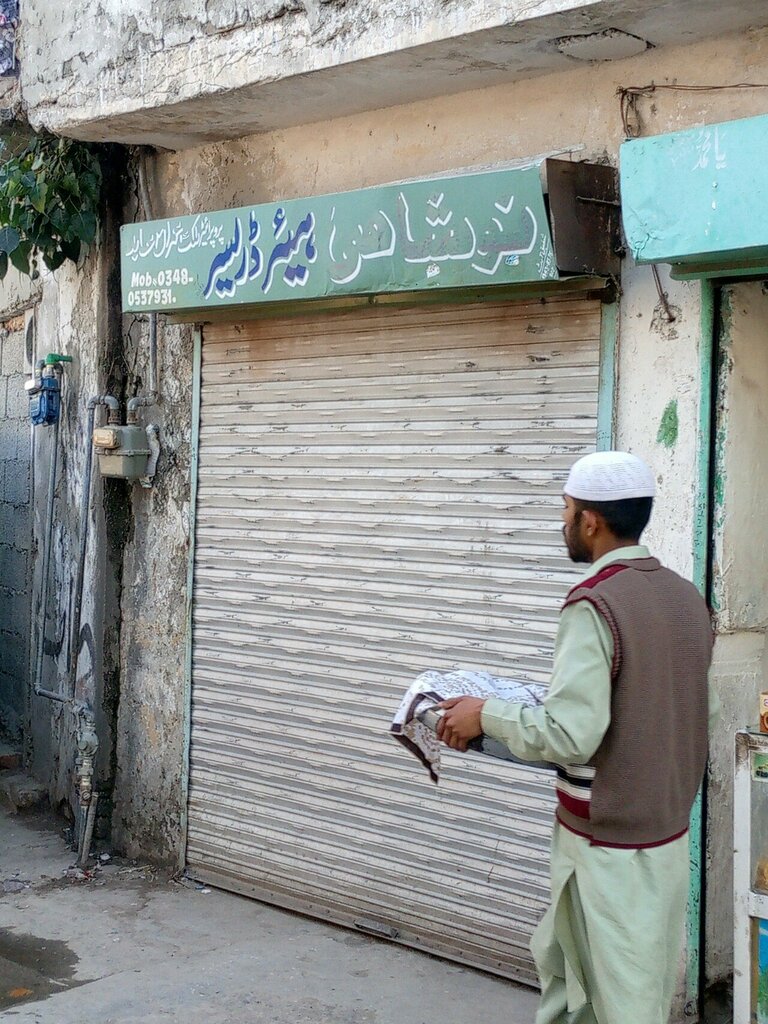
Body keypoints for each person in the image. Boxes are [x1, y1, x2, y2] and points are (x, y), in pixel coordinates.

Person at [436, 450, 718, 1024]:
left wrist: (484, 715)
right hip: (661, 834)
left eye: (565, 510)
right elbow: (652, 712)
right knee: (572, 977)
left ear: (590, 520)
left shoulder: (595, 603)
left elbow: (571, 735)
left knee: (620, 1000)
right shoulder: (686, 598)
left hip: (608, 847)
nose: (562, 522)